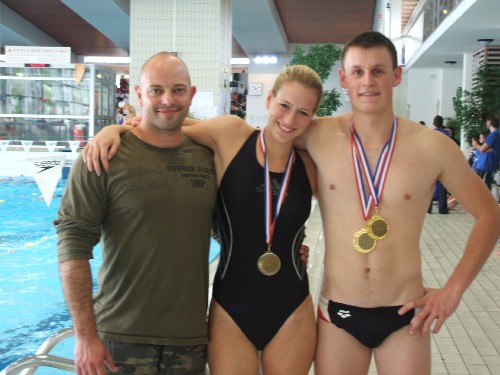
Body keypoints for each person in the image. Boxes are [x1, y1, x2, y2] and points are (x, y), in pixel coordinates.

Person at [83, 65, 322, 375]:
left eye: (303, 113)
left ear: (314, 117)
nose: (290, 120)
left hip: (293, 307)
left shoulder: (311, 165)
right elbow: (166, 126)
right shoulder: (231, 134)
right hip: (231, 308)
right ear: (269, 100)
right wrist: (114, 129)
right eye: (284, 106)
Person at [293, 31, 500, 375]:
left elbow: (490, 214)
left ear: (397, 75)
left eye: (378, 71)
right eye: (357, 72)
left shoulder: (432, 147)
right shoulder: (316, 134)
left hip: (405, 313)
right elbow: (258, 144)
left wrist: (452, 292)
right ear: (344, 78)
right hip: (338, 313)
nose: (367, 81)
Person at [54, 52, 218, 375]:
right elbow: (72, 245)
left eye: (178, 90)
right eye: (156, 90)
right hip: (119, 337)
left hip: (190, 340)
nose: (168, 99)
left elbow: (226, 227)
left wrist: (281, 245)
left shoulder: (208, 157)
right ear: (139, 94)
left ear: (192, 94)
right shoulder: (103, 157)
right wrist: (85, 336)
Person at [428, 115, 450, 214]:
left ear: (434, 123)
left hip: (433, 160)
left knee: (430, 185)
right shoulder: (447, 133)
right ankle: (442, 209)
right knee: (442, 186)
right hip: (444, 160)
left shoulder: (431, 133)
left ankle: (428, 208)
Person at [476, 115, 500, 190]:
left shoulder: (494, 134)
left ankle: (485, 201)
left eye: (487, 121)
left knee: (484, 184)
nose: (486, 122)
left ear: (490, 122)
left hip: (487, 163)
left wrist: (484, 148)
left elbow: (482, 149)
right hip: (489, 163)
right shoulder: (497, 133)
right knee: (485, 183)